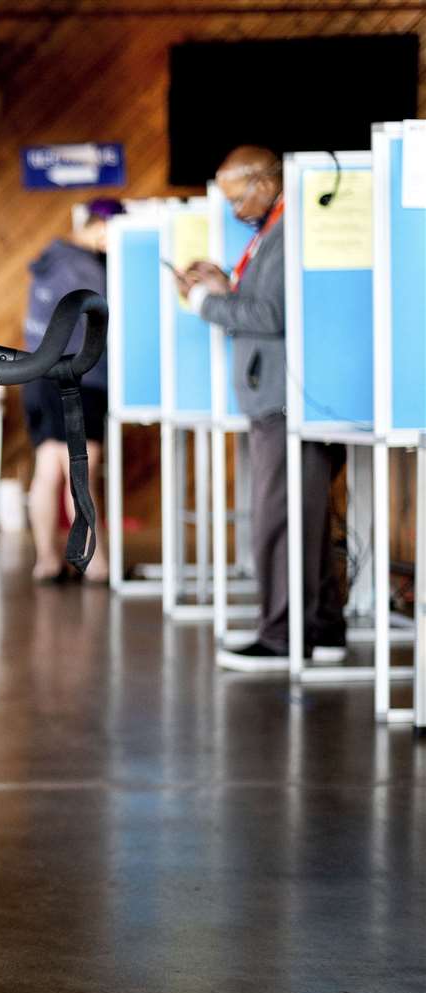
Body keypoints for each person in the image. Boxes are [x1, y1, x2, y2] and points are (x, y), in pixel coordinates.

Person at [175, 145, 345, 672]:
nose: (234, 210)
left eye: (237, 197)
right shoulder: (275, 232)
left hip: (284, 399)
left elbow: (271, 314)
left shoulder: (288, 232)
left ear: (266, 181)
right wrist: (226, 285)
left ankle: (282, 638)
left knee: (280, 520)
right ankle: (321, 630)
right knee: (304, 520)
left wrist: (207, 303)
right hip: (280, 397)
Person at [22, 198, 121, 584]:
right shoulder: (86, 268)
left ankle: (46, 560)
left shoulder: (52, 260)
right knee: (82, 470)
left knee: (48, 469)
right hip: (77, 378)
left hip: (37, 375)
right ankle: (96, 564)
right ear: (102, 226)